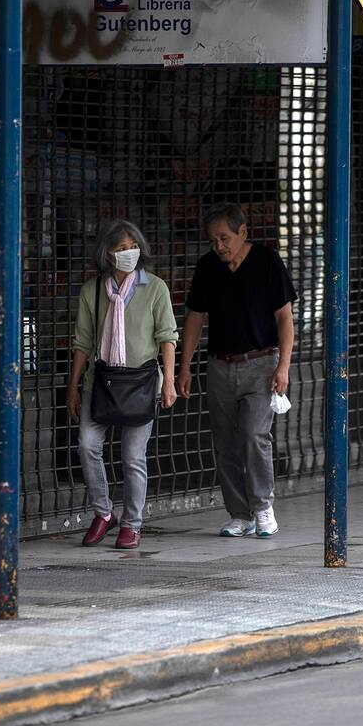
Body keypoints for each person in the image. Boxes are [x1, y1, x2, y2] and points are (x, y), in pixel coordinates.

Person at [177, 204, 297, 538]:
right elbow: (195, 318)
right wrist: (185, 367)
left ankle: (262, 506)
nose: (219, 246)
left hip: (261, 363)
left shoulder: (267, 262)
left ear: (243, 231)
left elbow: (285, 318)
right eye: (213, 239)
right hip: (218, 364)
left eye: (224, 238)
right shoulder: (207, 267)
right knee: (224, 441)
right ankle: (238, 513)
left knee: (254, 435)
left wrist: (283, 366)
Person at [68, 221, 179, 550]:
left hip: (142, 382)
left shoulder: (155, 288)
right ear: (107, 254)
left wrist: (169, 380)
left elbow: (167, 338)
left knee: (133, 456)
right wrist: (72, 385)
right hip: (100, 380)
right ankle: (104, 512)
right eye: (119, 249)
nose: (127, 253)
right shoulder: (92, 291)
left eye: (132, 246)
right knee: (87, 445)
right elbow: (82, 342)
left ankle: (132, 523)